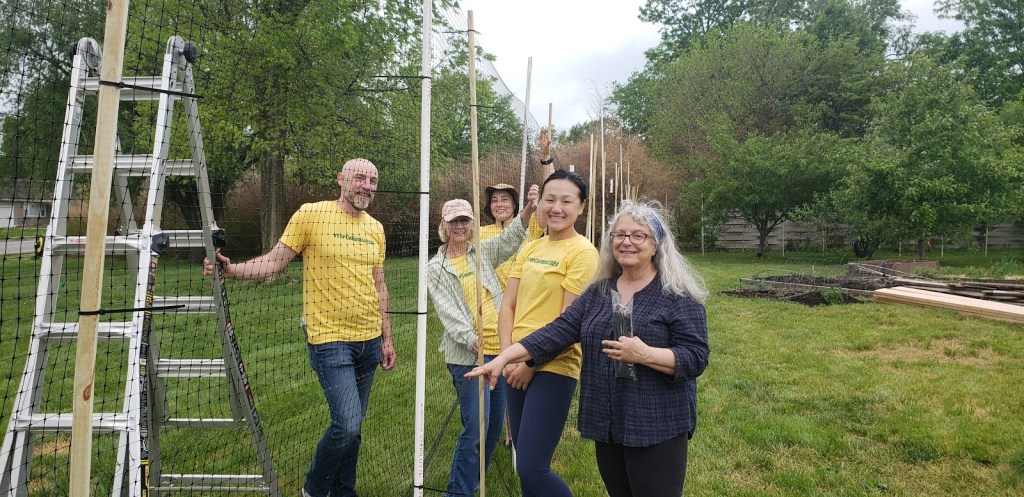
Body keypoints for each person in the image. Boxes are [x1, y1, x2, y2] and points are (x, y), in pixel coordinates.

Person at [468, 200, 710, 497]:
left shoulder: (677, 295)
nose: (627, 242)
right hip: (607, 420)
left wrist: (644, 354)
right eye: (619, 235)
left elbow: (696, 356)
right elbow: (556, 332)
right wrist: (504, 357)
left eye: (638, 235)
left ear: (656, 245)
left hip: (656, 423)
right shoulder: (598, 292)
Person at [203, 158, 395, 497]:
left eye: (373, 180)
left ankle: (343, 491)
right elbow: (275, 260)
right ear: (341, 180)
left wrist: (387, 337)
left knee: (355, 427)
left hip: (369, 340)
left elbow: (379, 285)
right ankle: (314, 490)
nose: (367, 185)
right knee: (347, 424)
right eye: (359, 178)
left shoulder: (374, 229)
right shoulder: (312, 214)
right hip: (329, 340)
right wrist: (231, 271)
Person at [426, 186, 537, 497]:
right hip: (469, 357)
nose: (460, 227)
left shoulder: (482, 252)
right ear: (443, 226)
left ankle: (476, 481)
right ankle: (458, 491)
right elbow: (450, 317)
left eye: (465, 221)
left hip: (499, 352)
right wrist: (477, 346)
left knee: (493, 429)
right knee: (476, 428)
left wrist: (528, 208)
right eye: (454, 222)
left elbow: (511, 237)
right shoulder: (436, 268)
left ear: (472, 224)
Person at [499, 167, 598, 497]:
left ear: (581, 206)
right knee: (523, 465)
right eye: (549, 199)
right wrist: (506, 359)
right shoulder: (530, 247)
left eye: (566, 201)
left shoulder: (583, 253)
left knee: (532, 466)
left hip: (553, 365)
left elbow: (568, 323)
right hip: (514, 363)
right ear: (539, 203)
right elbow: (508, 305)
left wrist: (530, 364)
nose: (556, 208)